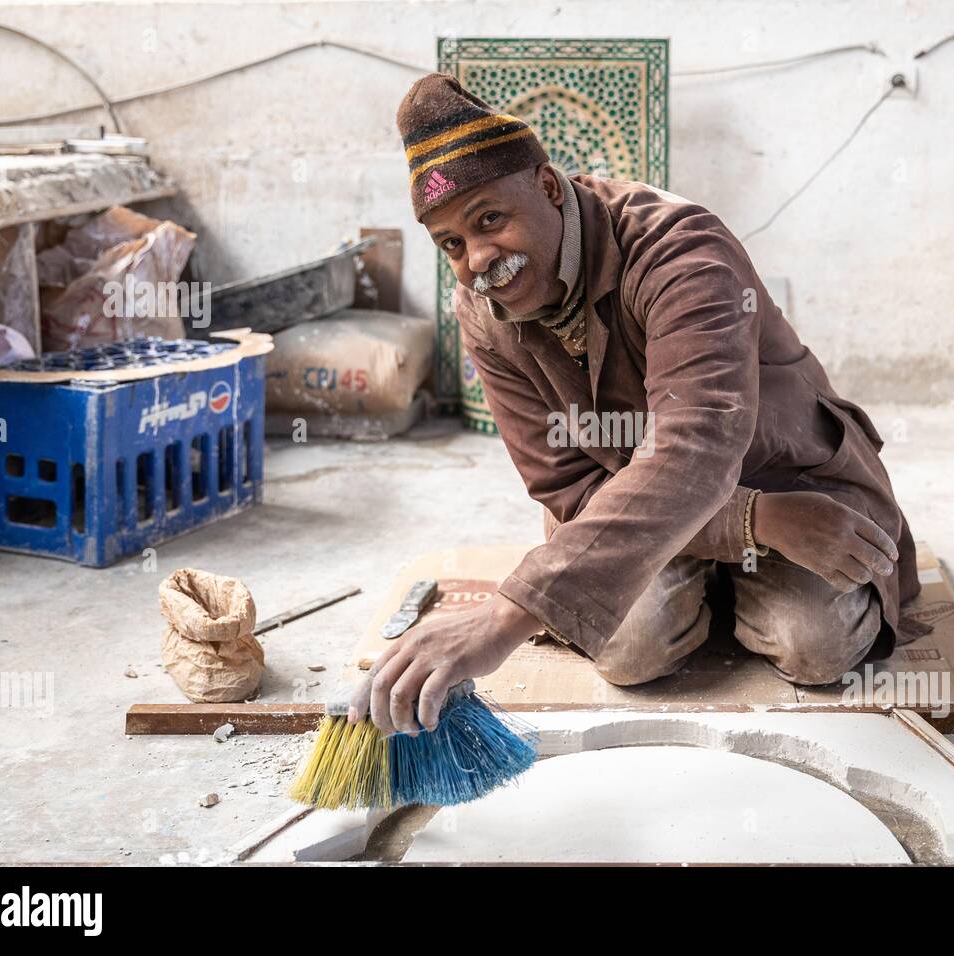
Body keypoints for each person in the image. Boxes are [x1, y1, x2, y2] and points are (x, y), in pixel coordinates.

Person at [349, 72, 921, 736]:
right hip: (660, 507)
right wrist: (754, 525)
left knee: (816, 646)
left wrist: (503, 618)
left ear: (548, 187)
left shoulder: (682, 253)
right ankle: (711, 578)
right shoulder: (481, 310)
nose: (478, 258)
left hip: (787, 477)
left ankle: (731, 585)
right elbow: (563, 484)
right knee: (630, 650)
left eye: (489, 220)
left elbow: (693, 452)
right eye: (452, 243)